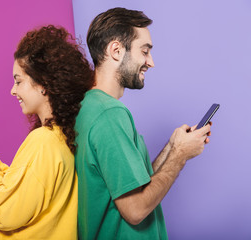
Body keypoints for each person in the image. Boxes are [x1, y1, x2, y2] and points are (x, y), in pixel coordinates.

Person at [74, 7, 212, 239]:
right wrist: (179, 156)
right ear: (116, 50)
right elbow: (135, 209)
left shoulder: (90, 107)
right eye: (145, 51)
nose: (151, 62)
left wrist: (172, 147)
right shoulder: (109, 115)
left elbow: (131, 185)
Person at [0, 25, 94, 240]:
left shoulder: (43, 141)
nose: (13, 90)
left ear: (43, 84)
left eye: (18, 81)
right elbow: (24, 193)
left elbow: (4, 211)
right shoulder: (61, 137)